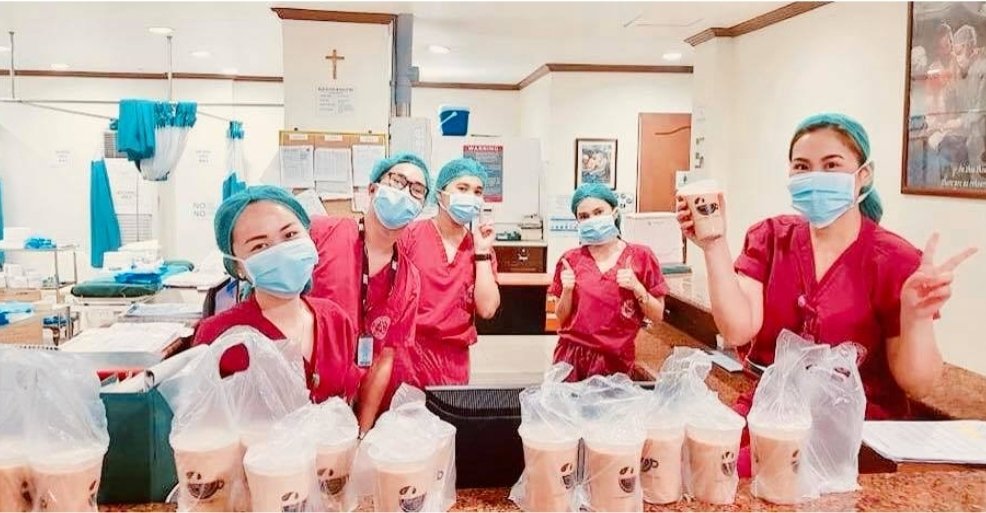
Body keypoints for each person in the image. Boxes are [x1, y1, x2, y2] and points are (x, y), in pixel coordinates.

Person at [676, 113, 977, 423]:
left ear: (864, 174)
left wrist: (916, 317)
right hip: (772, 421)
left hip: (858, 431)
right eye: (802, 166)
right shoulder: (771, 239)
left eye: (831, 165)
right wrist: (713, 244)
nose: (814, 176)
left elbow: (918, 385)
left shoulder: (896, 261)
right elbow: (737, 329)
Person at [193, 185, 360, 404]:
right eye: (260, 246)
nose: (282, 252)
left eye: (290, 235)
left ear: (308, 236)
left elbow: (346, 398)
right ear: (237, 266)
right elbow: (203, 417)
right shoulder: (220, 337)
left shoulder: (335, 321)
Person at [308, 152, 429, 433]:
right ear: (373, 189)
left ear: (419, 209)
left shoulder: (408, 280)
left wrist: (362, 431)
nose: (405, 193)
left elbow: (384, 359)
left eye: (417, 190)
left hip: (344, 406)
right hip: (297, 397)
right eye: (397, 181)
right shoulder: (322, 233)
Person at [549, 183, 668, 381]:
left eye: (598, 212)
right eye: (584, 216)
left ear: (614, 212)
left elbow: (657, 315)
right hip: (571, 360)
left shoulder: (641, 257)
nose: (592, 220)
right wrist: (567, 290)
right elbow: (561, 317)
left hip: (616, 361)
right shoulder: (570, 260)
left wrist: (637, 287)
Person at [398, 157, 500, 386]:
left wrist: (482, 252)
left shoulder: (479, 247)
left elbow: (487, 309)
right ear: (440, 193)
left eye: (477, 191)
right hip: (409, 356)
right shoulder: (410, 236)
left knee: (449, 410)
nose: (471, 197)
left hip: (454, 361)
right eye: (462, 188)